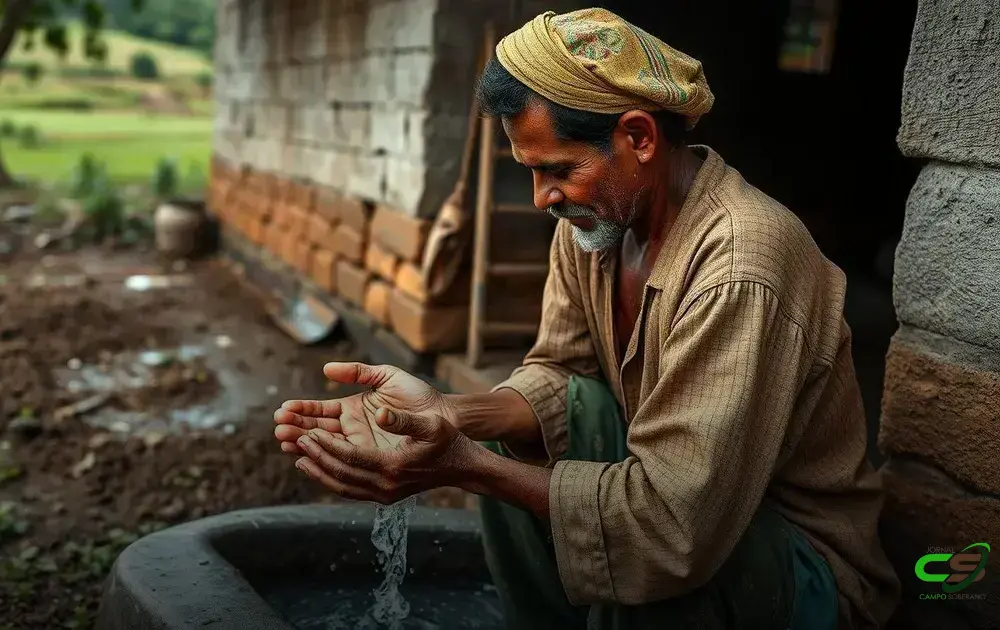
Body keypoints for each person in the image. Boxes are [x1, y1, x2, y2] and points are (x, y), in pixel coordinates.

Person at [273, 8, 899, 629]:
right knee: (510, 433)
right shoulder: (595, 228)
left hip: (795, 564)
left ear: (640, 138)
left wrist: (463, 466)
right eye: (531, 171)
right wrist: (443, 414)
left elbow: (672, 532)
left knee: (640, 563)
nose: (542, 197)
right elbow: (560, 372)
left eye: (559, 170)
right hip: (686, 512)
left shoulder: (739, 267)